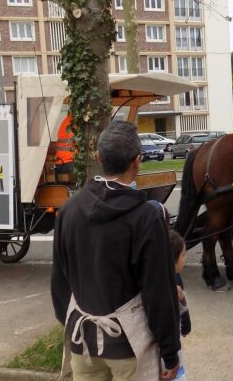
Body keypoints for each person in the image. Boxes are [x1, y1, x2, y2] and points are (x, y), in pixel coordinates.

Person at [51, 121, 180, 381]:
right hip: (128, 346)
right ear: (138, 160)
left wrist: (71, 324)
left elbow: (59, 280)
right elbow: (158, 289)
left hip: (82, 342)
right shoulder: (146, 217)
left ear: (99, 157)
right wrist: (170, 350)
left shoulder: (69, 210)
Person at [168, 230, 190, 381]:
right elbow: (185, 326)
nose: (185, 259)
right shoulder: (172, 284)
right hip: (169, 350)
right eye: (183, 255)